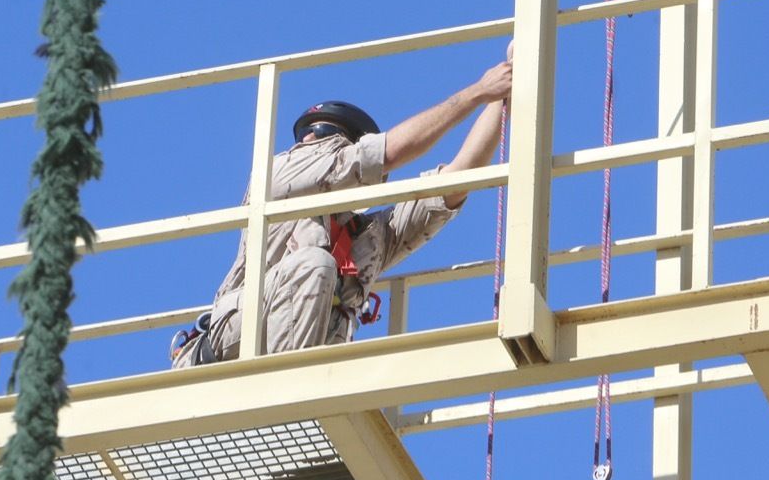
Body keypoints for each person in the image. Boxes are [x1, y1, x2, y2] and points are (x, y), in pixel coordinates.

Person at [171, 54, 513, 367]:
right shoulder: (280, 175)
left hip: (298, 356)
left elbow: (456, 180)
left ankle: (298, 401)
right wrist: (477, 92)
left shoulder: (366, 237)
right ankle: (285, 402)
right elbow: (387, 154)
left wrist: (506, 90)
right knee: (314, 264)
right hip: (234, 340)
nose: (309, 146)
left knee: (326, 275)